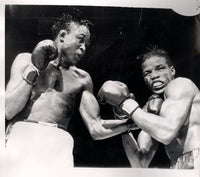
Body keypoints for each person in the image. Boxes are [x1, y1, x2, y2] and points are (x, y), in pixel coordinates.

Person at [5, 12, 135, 170]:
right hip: (24, 136)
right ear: (62, 36)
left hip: (59, 145)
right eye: (81, 40)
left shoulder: (83, 79)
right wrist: (34, 69)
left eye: (87, 44)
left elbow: (96, 128)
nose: (84, 48)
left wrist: (134, 122)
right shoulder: (25, 60)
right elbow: (8, 111)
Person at [97, 47, 200, 169]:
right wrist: (124, 123)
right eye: (147, 73)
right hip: (177, 167)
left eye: (160, 68)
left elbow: (166, 133)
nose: (154, 76)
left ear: (172, 70)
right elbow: (139, 163)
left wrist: (125, 103)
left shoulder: (181, 84)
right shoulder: (154, 112)